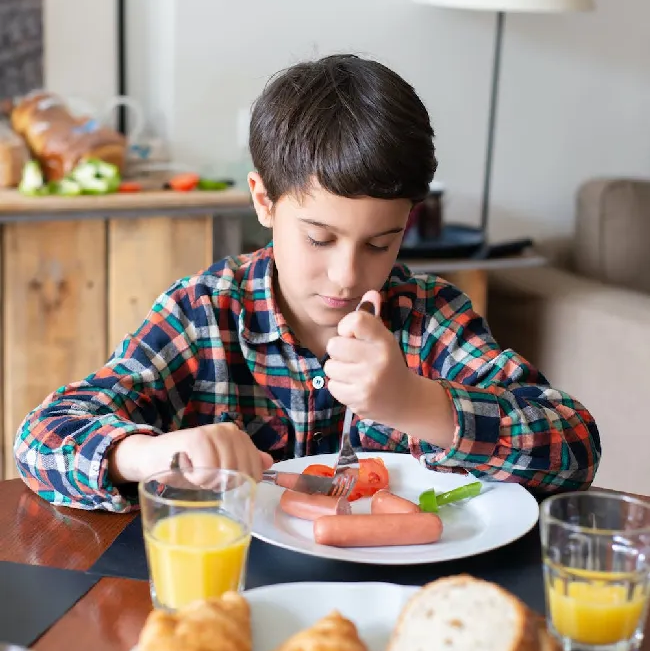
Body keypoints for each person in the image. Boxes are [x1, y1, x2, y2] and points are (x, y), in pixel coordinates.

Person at [14, 54, 600, 511]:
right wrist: (150, 452)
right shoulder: (204, 313)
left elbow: (575, 447)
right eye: (319, 239)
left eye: (380, 243)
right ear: (264, 201)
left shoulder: (431, 317)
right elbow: (40, 439)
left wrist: (417, 402)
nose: (348, 275)